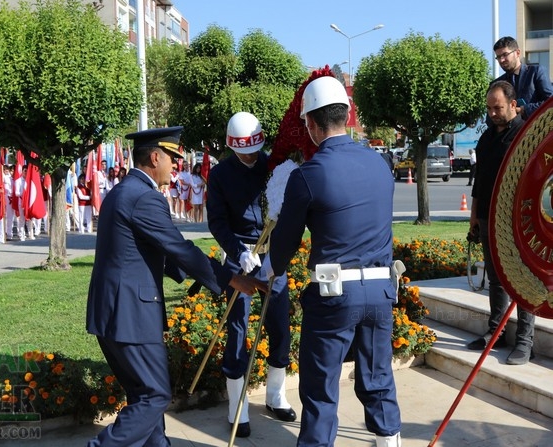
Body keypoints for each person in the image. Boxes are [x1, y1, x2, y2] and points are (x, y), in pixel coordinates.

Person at [85, 126, 266, 447]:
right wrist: (230, 278)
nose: (176, 165)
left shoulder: (121, 191)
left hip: (110, 314)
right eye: (172, 158)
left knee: (143, 395)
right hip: (132, 316)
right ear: (155, 157)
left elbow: (148, 251)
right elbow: (180, 248)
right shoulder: (145, 197)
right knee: (154, 397)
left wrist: (193, 276)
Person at [262, 76, 402, 447]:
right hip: (381, 291)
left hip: (334, 296)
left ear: (310, 124)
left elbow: (283, 247)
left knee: (321, 387)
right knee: (378, 378)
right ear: (348, 115)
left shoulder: (308, 175)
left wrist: (270, 262)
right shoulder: (380, 165)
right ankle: (390, 441)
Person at [207, 111, 296, 438]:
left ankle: (275, 394)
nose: (251, 155)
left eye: (255, 148)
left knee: (279, 324)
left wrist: (278, 250)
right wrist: (238, 251)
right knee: (238, 328)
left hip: (273, 253)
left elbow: (288, 212)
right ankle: (237, 405)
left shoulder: (274, 166)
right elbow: (216, 222)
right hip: (240, 254)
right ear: (232, 146)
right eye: (244, 150)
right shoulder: (220, 175)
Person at [466, 80, 535, 365]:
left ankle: (525, 341)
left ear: (513, 105)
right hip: (488, 218)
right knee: (496, 278)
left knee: (523, 280)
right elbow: (479, 182)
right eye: (489, 108)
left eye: (498, 108)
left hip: (516, 221)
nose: (493, 113)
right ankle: (497, 332)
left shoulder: (525, 136)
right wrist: (474, 217)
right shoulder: (486, 139)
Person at [492, 36, 553, 121]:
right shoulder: (496, 84)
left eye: (505, 55)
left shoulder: (536, 72)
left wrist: (523, 110)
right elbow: (490, 115)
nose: (501, 60)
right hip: (509, 133)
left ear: (517, 53)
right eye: (498, 57)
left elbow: (550, 102)